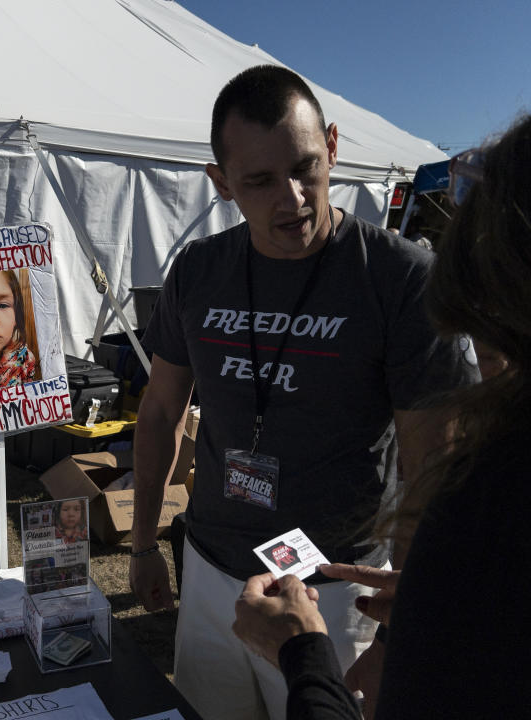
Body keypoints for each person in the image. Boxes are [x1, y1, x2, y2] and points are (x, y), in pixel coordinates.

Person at [128, 64, 478, 720]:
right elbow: (159, 411)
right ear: (221, 182)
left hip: (337, 590)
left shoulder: (401, 279)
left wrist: (400, 623)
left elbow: (432, 465)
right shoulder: (201, 270)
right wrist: (144, 543)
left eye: (306, 168)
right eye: (259, 181)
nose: (291, 199)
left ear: (335, 146)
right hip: (210, 568)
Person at [232, 113, 531, 719]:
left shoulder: (496, 495)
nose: (484, 371)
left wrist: (307, 657)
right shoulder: (493, 498)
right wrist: (437, 603)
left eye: (493, 343)